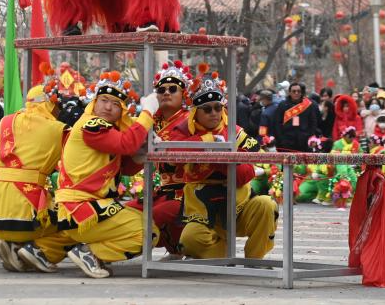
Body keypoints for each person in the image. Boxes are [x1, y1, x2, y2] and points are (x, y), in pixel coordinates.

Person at [35, 72, 160, 278]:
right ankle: (90, 253)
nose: (108, 107)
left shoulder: (104, 128)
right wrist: (147, 112)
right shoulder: (93, 124)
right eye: (103, 100)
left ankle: (39, 251)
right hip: (83, 207)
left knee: (139, 219)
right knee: (148, 232)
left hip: (79, 207)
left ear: (122, 111)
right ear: (94, 102)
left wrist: (140, 154)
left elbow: (123, 168)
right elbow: (126, 144)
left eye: (115, 103)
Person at [175, 76, 277, 260]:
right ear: (195, 112)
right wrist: (209, 142)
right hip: (201, 205)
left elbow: (247, 172)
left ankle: (254, 261)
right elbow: (173, 155)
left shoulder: (235, 132)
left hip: (239, 202)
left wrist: (221, 160)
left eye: (218, 107)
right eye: (207, 109)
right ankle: (220, 254)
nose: (214, 113)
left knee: (267, 205)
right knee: (189, 241)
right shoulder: (184, 132)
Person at [0, 84, 69, 273]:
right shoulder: (59, 129)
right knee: (70, 224)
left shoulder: (6, 122)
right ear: (50, 104)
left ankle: (12, 246)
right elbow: (69, 162)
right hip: (27, 210)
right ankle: (39, 251)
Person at [132, 61, 191, 258]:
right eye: (161, 89)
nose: (166, 92)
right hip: (161, 191)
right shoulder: (150, 120)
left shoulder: (192, 119)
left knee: (148, 219)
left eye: (173, 89)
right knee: (124, 213)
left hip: (186, 193)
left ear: (183, 94)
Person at [273, 82, 319, 152]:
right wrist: (282, 139)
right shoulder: (283, 105)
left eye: (298, 91)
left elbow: (313, 122)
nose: (296, 93)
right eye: (294, 91)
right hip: (287, 141)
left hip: (304, 141)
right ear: (289, 92)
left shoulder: (308, 105)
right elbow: (277, 124)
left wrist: (310, 137)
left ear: (301, 92)